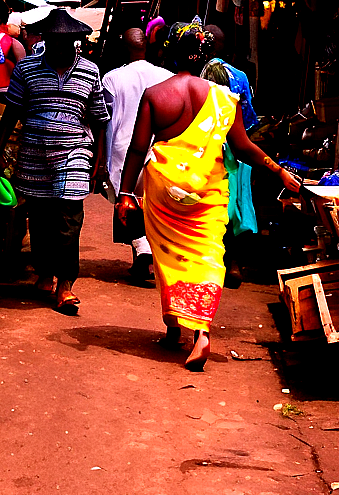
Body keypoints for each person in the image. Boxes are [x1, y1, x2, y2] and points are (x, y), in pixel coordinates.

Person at [115, 20, 300, 371]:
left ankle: (173, 326)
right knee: (209, 257)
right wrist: (278, 171)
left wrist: (126, 193)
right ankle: (200, 331)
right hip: (207, 193)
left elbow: (138, 149)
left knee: (168, 257)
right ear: (203, 55)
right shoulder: (223, 98)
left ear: (168, 52)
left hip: (165, 191)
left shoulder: (155, 95)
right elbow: (242, 147)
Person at [0, 8, 109, 313]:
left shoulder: (90, 71)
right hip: (34, 153)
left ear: (76, 42)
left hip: (74, 152)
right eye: (54, 40)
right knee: (40, 217)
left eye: (66, 41)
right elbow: (12, 112)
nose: (59, 46)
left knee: (69, 217)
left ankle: (66, 285)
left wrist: (101, 161)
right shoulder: (26, 69)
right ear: (46, 39)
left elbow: (99, 119)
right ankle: (44, 272)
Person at [100, 28, 172, 281]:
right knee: (151, 205)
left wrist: (100, 160)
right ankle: (146, 258)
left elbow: (104, 119)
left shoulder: (112, 78)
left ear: (125, 48)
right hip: (158, 150)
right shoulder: (166, 76)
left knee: (127, 202)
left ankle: (142, 251)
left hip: (122, 148)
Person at [202, 24, 260, 288]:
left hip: (205, 149)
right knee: (235, 206)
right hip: (238, 148)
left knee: (210, 205)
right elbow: (248, 120)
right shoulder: (240, 76)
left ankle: (212, 263)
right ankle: (234, 263)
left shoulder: (196, 75)